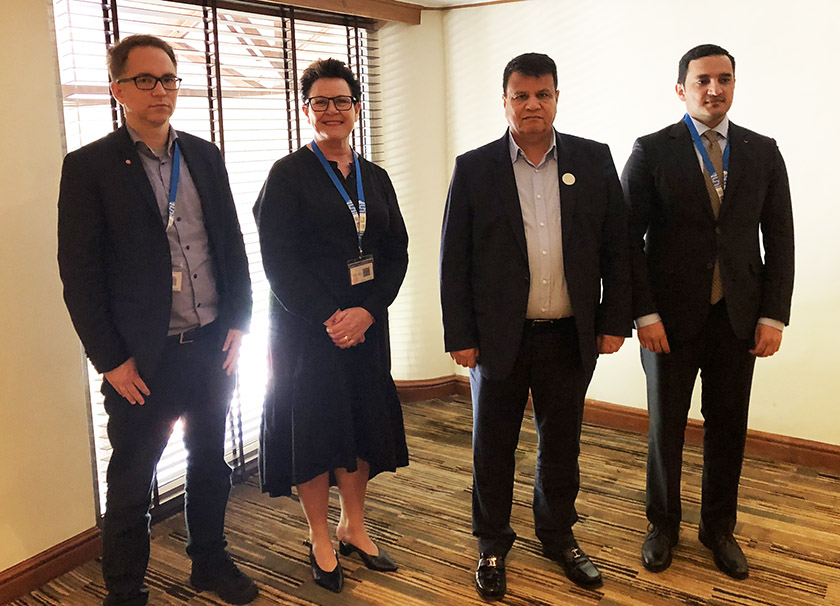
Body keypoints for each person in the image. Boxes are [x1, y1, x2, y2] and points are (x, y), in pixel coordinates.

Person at [57, 35, 257, 605]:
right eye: (145, 80)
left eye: (168, 79)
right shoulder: (90, 166)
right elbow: (80, 273)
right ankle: (125, 591)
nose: (159, 91)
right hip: (143, 359)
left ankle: (209, 563)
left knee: (210, 462)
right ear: (118, 89)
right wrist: (110, 361)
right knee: (131, 483)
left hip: (211, 345)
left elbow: (230, 243)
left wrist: (240, 320)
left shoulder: (204, 154)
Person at [439, 52, 631, 600]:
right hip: (501, 338)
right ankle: (492, 543)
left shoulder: (593, 161)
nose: (531, 105)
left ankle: (557, 533)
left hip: (569, 334)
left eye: (542, 94)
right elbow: (455, 259)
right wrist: (461, 335)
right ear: (505, 101)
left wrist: (614, 319)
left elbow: (617, 249)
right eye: (520, 95)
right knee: (492, 446)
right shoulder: (474, 168)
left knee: (561, 443)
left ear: (556, 98)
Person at [621, 43, 794, 580]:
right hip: (668, 323)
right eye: (702, 81)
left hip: (738, 317)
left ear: (734, 85)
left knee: (729, 428)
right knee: (665, 428)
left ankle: (718, 528)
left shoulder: (762, 151)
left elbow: (780, 238)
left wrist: (774, 315)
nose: (713, 89)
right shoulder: (652, 151)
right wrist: (642, 314)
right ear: (681, 89)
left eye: (723, 79)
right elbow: (627, 242)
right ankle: (663, 526)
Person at [253, 58, 409, 594]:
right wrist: (331, 317)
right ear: (306, 109)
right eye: (320, 101)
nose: (332, 110)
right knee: (315, 428)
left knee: (362, 423)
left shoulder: (377, 177)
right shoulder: (287, 176)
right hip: (306, 331)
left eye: (341, 100)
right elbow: (278, 263)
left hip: (366, 327)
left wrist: (368, 311)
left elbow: (396, 253)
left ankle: (354, 525)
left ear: (357, 107)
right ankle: (320, 533)